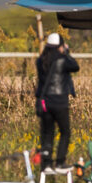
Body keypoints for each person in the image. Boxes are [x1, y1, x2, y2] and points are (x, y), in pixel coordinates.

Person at [35, 33, 79, 173]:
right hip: (60, 101)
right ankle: (60, 163)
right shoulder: (63, 60)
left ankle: (46, 165)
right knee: (65, 132)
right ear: (60, 46)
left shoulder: (40, 60)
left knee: (47, 133)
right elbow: (75, 66)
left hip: (45, 102)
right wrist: (66, 52)